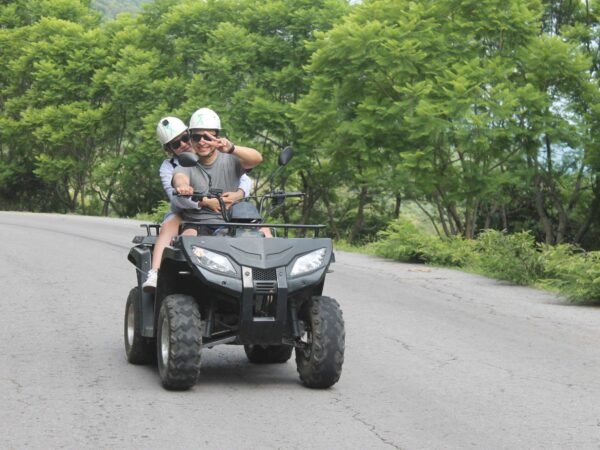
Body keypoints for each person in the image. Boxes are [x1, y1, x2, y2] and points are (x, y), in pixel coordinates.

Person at [142, 116, 252, 292]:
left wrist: (238, 195)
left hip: (225, 208)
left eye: (185, 139)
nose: (184, 145)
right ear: (169, 149)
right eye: (176, 144)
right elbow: (176, 195)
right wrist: (205, 202)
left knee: (258, 230)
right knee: (170, 226)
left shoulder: (212, 152)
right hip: (186, 210)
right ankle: (156, 272)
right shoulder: (170, 166)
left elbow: (244, 178)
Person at [172, 108, 263, 236]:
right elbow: (179, 177)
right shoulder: (188, 162)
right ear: (191, 139)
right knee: (187, 240)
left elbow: (257, 159)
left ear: (217, 137)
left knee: (265, 236)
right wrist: (183, 187)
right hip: (198, 223)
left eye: (208, 137)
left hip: (234, 223)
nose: (202, 142)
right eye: (196, 137)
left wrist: (232, 148)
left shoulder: (231, 159)